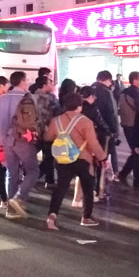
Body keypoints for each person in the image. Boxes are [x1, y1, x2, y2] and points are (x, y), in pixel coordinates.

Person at [45, 93, 108, 230]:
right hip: (83, 158)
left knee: (61, 187)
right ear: (79, 106)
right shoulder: (86, 121)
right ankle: (86, 217)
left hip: (62, 158)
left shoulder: (56, 120)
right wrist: (102, 157)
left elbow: (48, 137)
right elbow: (93, 143)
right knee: (87, 188)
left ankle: (52, 215)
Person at [0, 71, 39, 219]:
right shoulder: (29, 98)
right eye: (26, 80)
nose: (28, 83)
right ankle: (18, 197)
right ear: (22, 82)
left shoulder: (1, 98)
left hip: (5, 141)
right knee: (33, 170)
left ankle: (11, 210)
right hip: (23, 140)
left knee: (11, 173)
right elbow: (36, 120)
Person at [118, 71, 139, 187]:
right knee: (138, 152)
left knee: (136, 152)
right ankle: (136, 180)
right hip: (134, 126)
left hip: (127, 125)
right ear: (135, 80)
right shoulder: (135, 93)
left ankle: (124, 174)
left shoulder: (125, 92)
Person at [33, 75, 60, 188]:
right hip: (48, 131)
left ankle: (31, 175)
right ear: (44, 85)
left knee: (33, 154)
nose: (52, 85)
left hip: (34, 131)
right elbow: (58, 112)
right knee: (49, 157)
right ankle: (44, 179)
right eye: (50, 83)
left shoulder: (32, 96)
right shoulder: (51, 99)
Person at [91, 71, 120, 177]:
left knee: (93, 154)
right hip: (105, 129)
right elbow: (111, 112)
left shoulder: (89, 89)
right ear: (108, 80)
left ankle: (94, 177)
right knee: (105, 153)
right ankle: (105, 178)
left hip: (91, 128)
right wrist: (114, 130)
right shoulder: (106, 92)